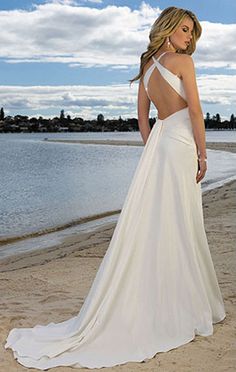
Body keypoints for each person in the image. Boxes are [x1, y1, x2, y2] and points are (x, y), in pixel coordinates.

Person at [5, 6, 226, 370]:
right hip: (182, 143)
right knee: (181, 223)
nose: (189, 38)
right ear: (169, 29)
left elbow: (143, 118)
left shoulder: (147, 67)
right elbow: (197, 112)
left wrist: (154, 148)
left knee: (159, 224)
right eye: (186, 30)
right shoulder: (181, 63)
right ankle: (183, 304)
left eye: (192, 33)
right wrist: (203, 155)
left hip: (160, 145)